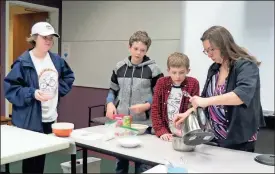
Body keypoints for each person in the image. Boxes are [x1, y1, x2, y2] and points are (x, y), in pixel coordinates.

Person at [174, 26, 265, 152]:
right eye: (206, 51)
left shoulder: (246, 65)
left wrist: (206, 101)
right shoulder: (214, 68)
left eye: (212, 49)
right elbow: (205, 99)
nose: (209, 54)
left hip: (239, 138)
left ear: (224, 45)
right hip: (215, 137)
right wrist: (188, 113)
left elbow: (241, 96)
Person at [4, 21, 75, 173]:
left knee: (41, 156)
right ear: (34, 38)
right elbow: (11, 89)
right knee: (31, 159)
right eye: (45, 37)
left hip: (49, 116)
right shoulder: (23, 62)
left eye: (51, 38)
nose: (49, 41)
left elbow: (68, 76)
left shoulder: (56, 60)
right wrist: (33, 93)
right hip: (30, 118)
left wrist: (57, 90)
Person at [105, 30, 164, 174]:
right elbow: (112, 90)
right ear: (129, 47)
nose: (138, 53)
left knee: (142, 165)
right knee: (120, 163)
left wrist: (147, 105)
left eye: (142, 50)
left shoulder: (154, 69)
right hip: (122, 123)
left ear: (147, 50)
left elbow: (159, 94)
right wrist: (110, 103)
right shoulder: (119, 67)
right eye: (135, 48)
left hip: (143, 125)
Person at [151, 52, 200, 141]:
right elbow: (155, 109)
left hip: (185, 132)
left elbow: (195, 109)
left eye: (181, 72)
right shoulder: (161, 83)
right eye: (174, 72)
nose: (177, 76)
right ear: (168, 70)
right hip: (164, 131)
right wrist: (161, 131)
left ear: (188, 71)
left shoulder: (193, 83)